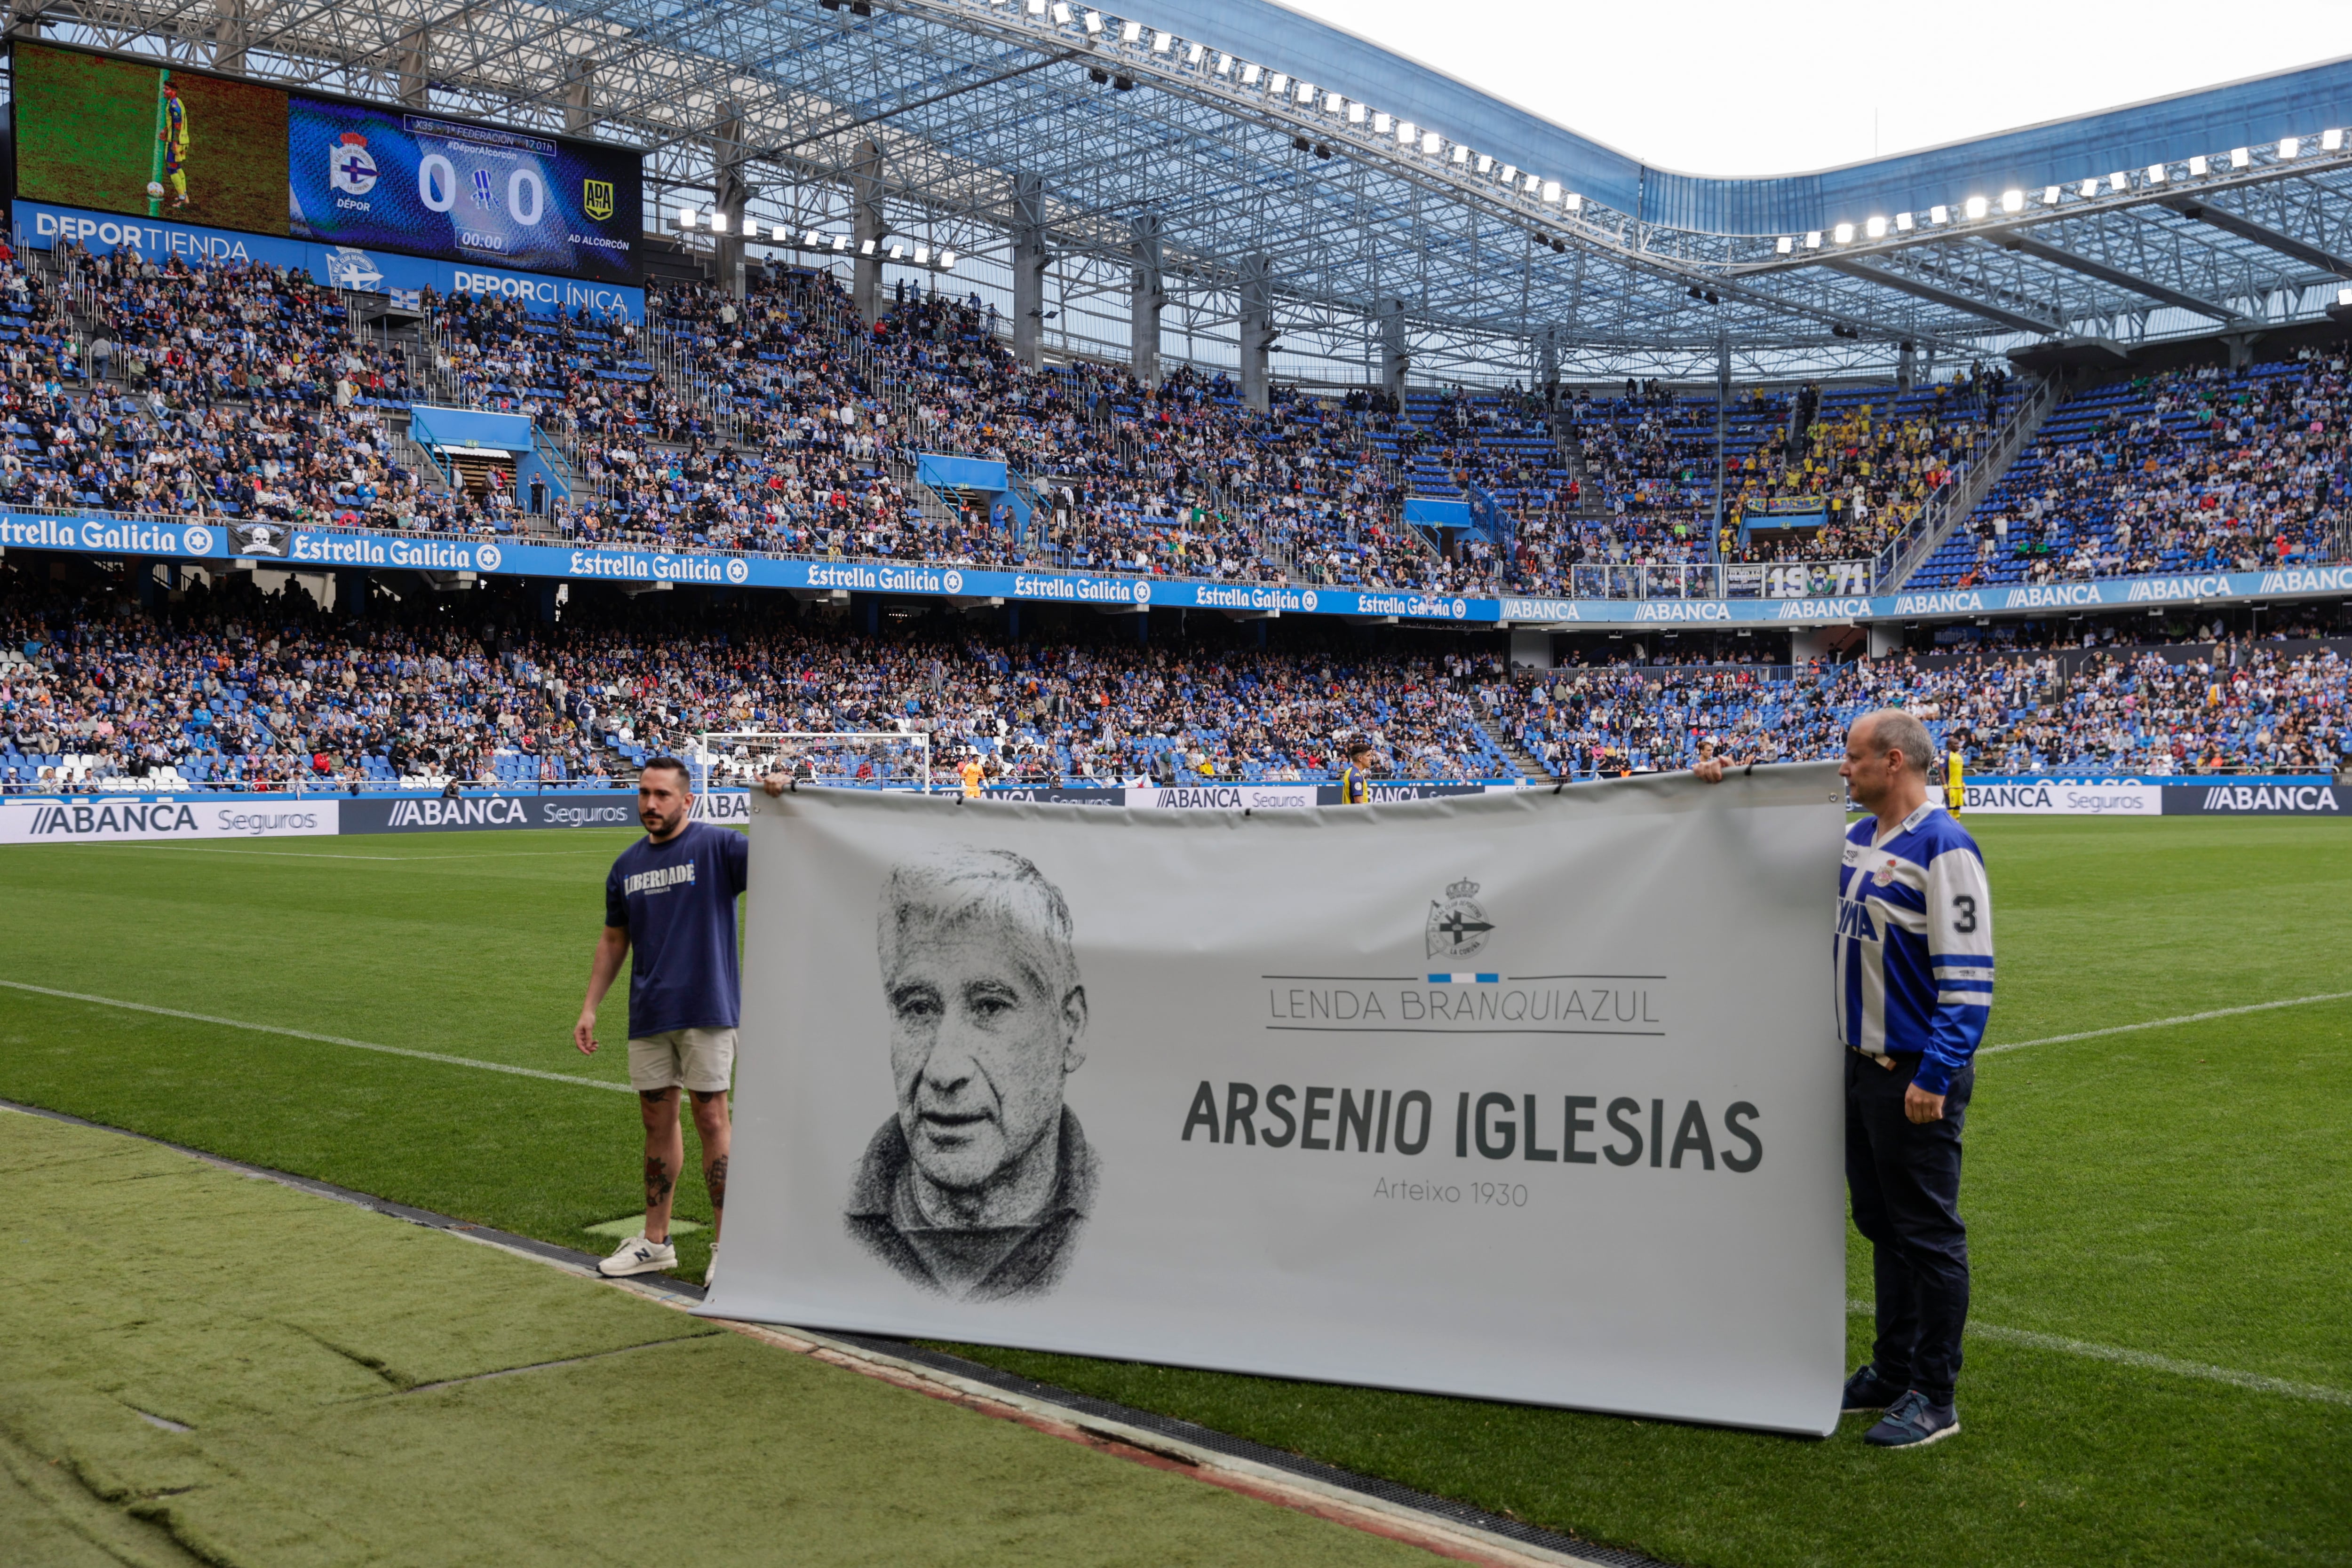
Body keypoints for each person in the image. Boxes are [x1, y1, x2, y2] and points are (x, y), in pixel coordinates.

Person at [1698, 709, 1992, 1449]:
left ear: (1894, 762)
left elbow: (1970, 978)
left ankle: (1937, 1393)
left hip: (1913, 1075)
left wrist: (1937, 1071)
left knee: (1927, 1234)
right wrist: (1724, 797)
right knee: (1883, 1226)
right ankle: (1893, 1370)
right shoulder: (1859, 837)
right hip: (1858, 1069)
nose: (1842, 768)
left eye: (1853, 757)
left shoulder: (1946, 846)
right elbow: (1773, 880)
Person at [843, 847, 1097, 1301]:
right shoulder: (823, 1215)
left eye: (990, 1007)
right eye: (918, 1008)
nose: (944, 1070)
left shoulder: (1124, 1218)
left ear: (1070, 1029)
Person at [574, 759, 747, 1284]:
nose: (651, 804)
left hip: (707, 1008)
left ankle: (732, 1245)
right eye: (644, 793)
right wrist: (589, 1005)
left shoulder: (720, 847)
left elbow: (789, 853)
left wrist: (783, 798)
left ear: (686, 800)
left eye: (663, 795)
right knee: (656, 1122)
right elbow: (613, 939)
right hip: (649, 1012)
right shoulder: (625, 865)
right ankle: (655, 1243)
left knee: (711, 1119)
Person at [157, 79, 190, 209]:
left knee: (172, 169)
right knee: (177, 167)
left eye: (167, 89)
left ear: (173, 91)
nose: (164, 92)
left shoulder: (174, 106)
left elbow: (178, 125)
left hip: (176, 142)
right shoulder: (176, 102)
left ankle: (182, 199)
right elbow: (173, 122)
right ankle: (184, 195)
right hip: (183, 140)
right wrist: (165, 130)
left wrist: (174, 143)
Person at [1337, 739, 1376, 803]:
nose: (1371, 758)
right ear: (1360, 758)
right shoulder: (1356, 776)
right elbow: (1359, 803)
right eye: (1368, 756)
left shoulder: (1350, 771)